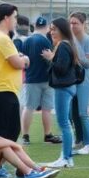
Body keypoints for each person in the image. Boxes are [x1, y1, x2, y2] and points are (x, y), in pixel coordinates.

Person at [42, 17, 82, 169]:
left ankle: (65, 157)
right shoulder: (65, 44)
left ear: (62, 30)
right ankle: (67, 157)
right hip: (66, 87)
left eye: (55, 29)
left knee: (64, 123)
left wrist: (50, 58)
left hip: (63, 87)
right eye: (51, 29)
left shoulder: (63, 46)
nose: (52, 32)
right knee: (65, 123)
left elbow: (61, 68)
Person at [0, 4, 28, 143]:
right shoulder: (2, 38)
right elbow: (17, 63)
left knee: (6, 132)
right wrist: (25, 60)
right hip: (2, 90)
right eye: (14, 17)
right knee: (7, 132)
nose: (16, 21)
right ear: (6, 18)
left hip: (3, 90)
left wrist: (19, 58)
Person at [20, 17, 61, 146]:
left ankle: (25, 135)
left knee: (29, 107)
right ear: (47, 26)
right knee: (46, 109)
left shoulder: (26, 41)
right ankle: (47, 134)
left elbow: (23, 58)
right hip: (46, 79)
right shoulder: (45, 40)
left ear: (34, 25)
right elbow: (49, 59)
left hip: (31, 78)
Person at [68, 12, 89, 154]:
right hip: (71, 81)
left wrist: (76, 49)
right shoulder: (68, 39)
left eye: (76, 23)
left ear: (83, 24)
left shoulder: (88, 41)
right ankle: (78, 140)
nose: (72, 26)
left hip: (83, 81)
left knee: (82, 113)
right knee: (72, 113)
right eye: (71, 23)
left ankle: (88, 144)